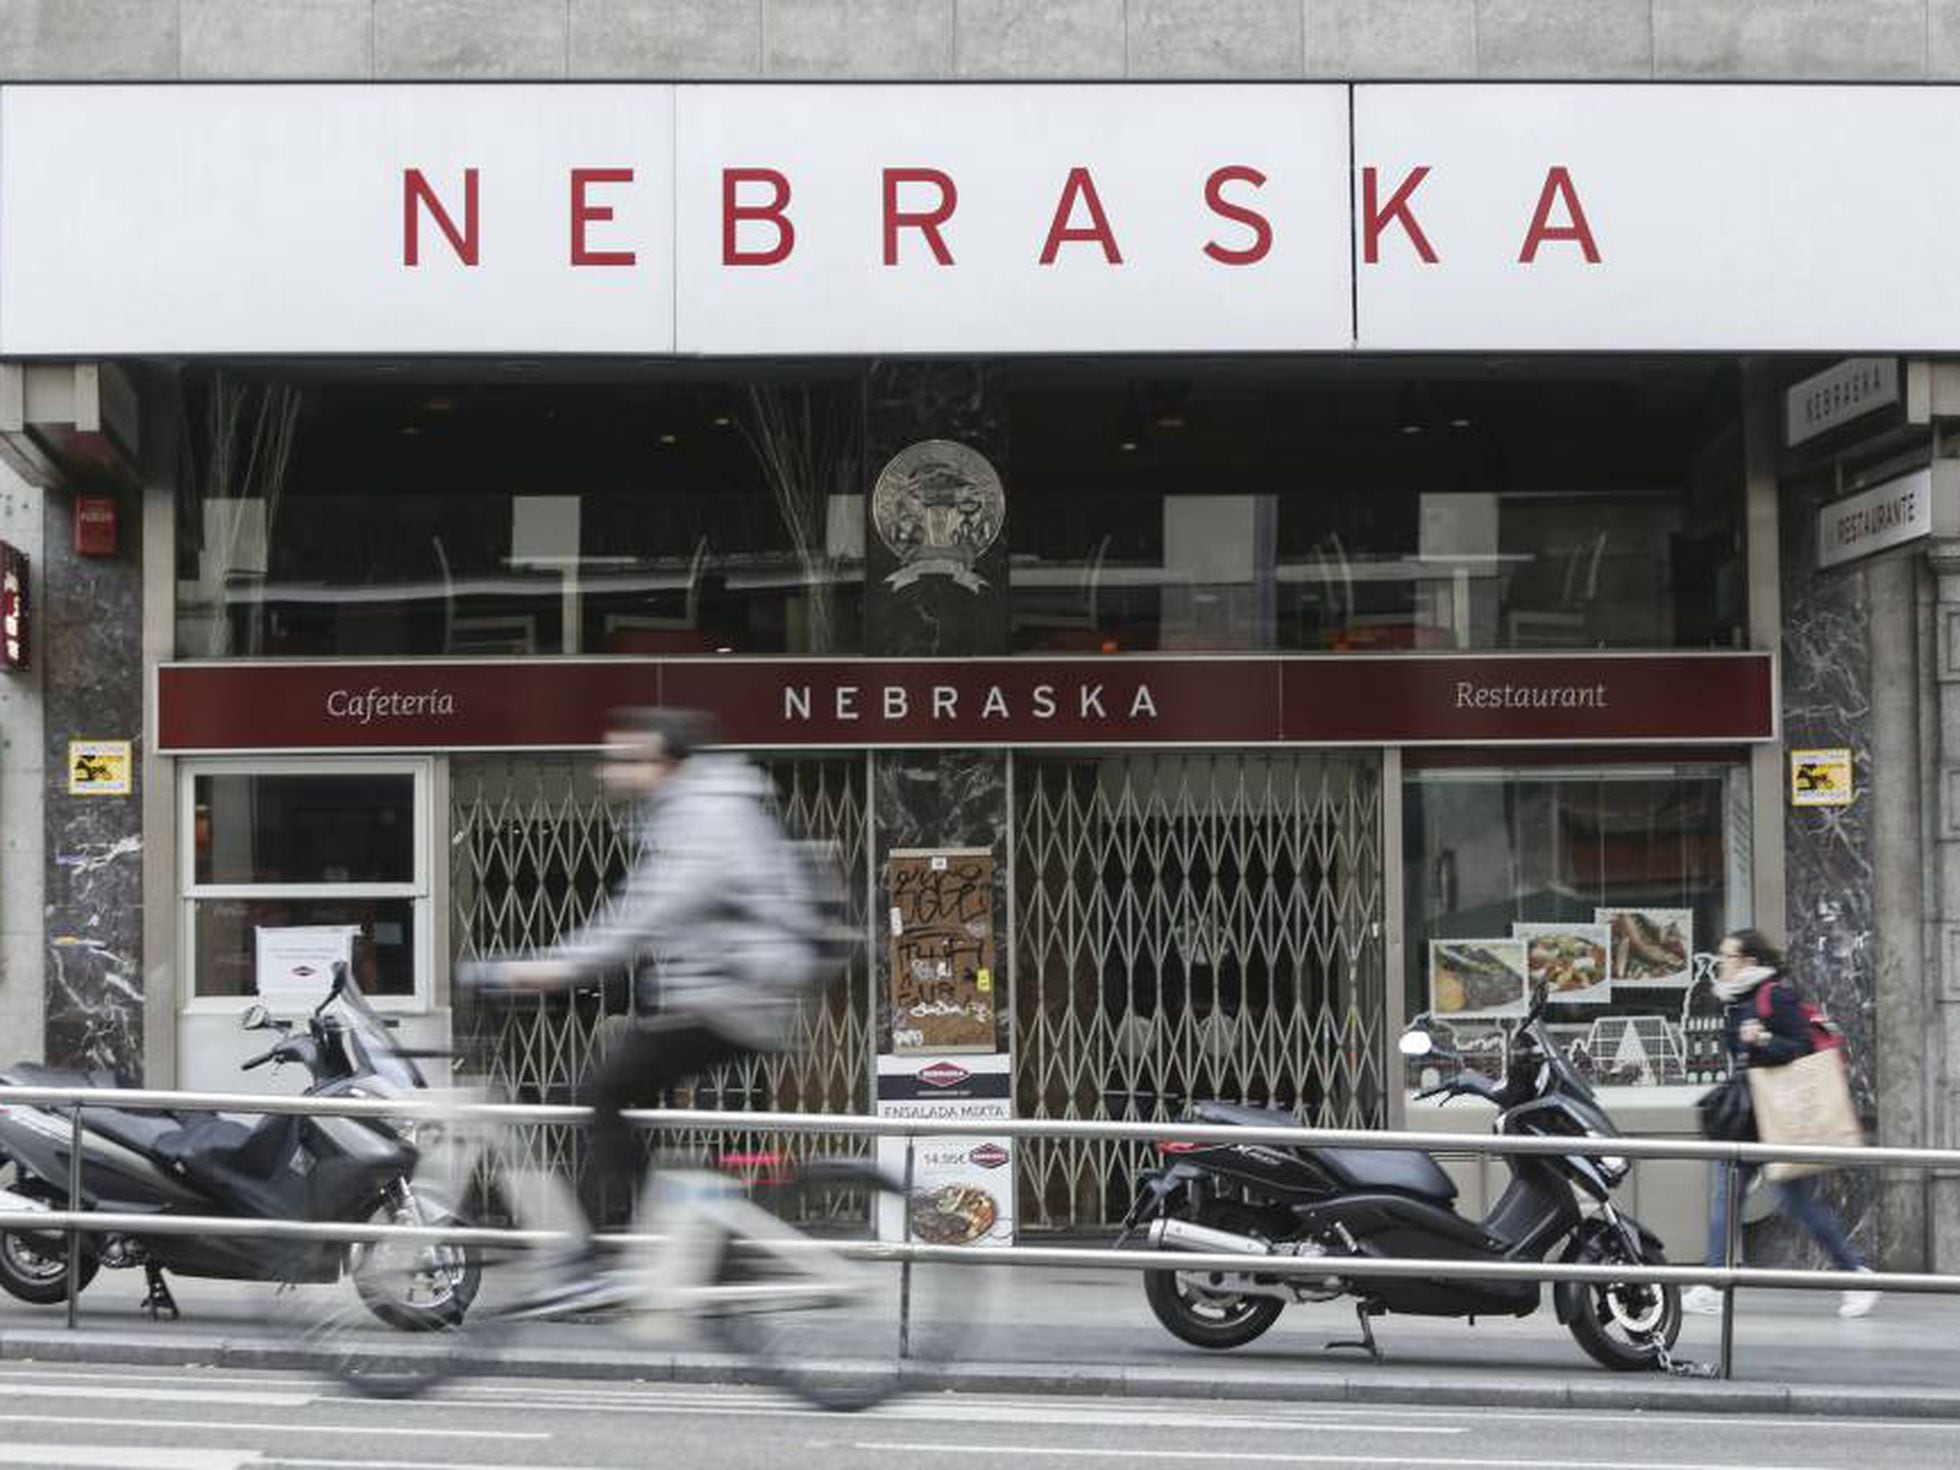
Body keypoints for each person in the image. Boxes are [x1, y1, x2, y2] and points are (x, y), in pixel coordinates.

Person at [473, 706, 813, 1311]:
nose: (613, 771)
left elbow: (650, 912)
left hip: (733, 993)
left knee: (601, 1092)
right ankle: (687, 1242)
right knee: (614, 1092)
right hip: (717, 989)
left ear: (669, 764)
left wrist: (549, 968)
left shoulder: (705, 818)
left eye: (629, 759)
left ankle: (609, 1256)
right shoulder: (693, 812)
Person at [1681, 928, 1879, 1320]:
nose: (1722, 964)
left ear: (1749, 963)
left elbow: (1801, 1050)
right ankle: (1713, 1285)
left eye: (1729, 957)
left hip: (1776, 1117)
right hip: (1750, 1118)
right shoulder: (1735, 1000)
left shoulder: (1774, 995)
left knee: (1798, 1202)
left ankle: (1855, 1273)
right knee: (1729, 1195)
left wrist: (1763, 1039)